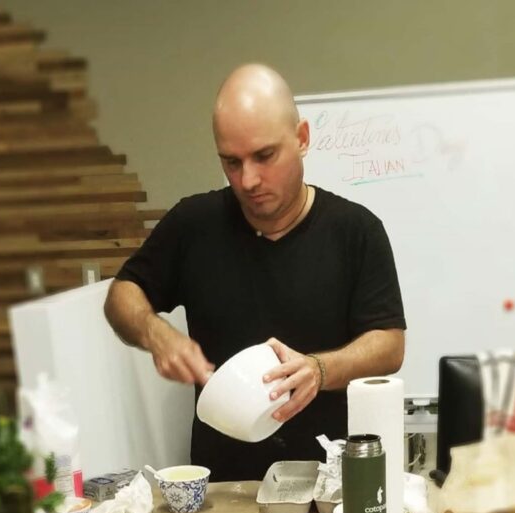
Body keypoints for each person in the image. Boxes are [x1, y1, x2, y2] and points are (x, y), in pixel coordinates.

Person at [104, 63, 406, 481]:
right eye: (231, 162)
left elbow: (389, 344)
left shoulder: (355, 231)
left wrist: (319, 370)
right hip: (223, 485)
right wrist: (157, 334)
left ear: (301, 139)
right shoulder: (194, 224)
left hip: (330, 480)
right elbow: (122, 294)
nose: (248, 180)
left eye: (265, 156)